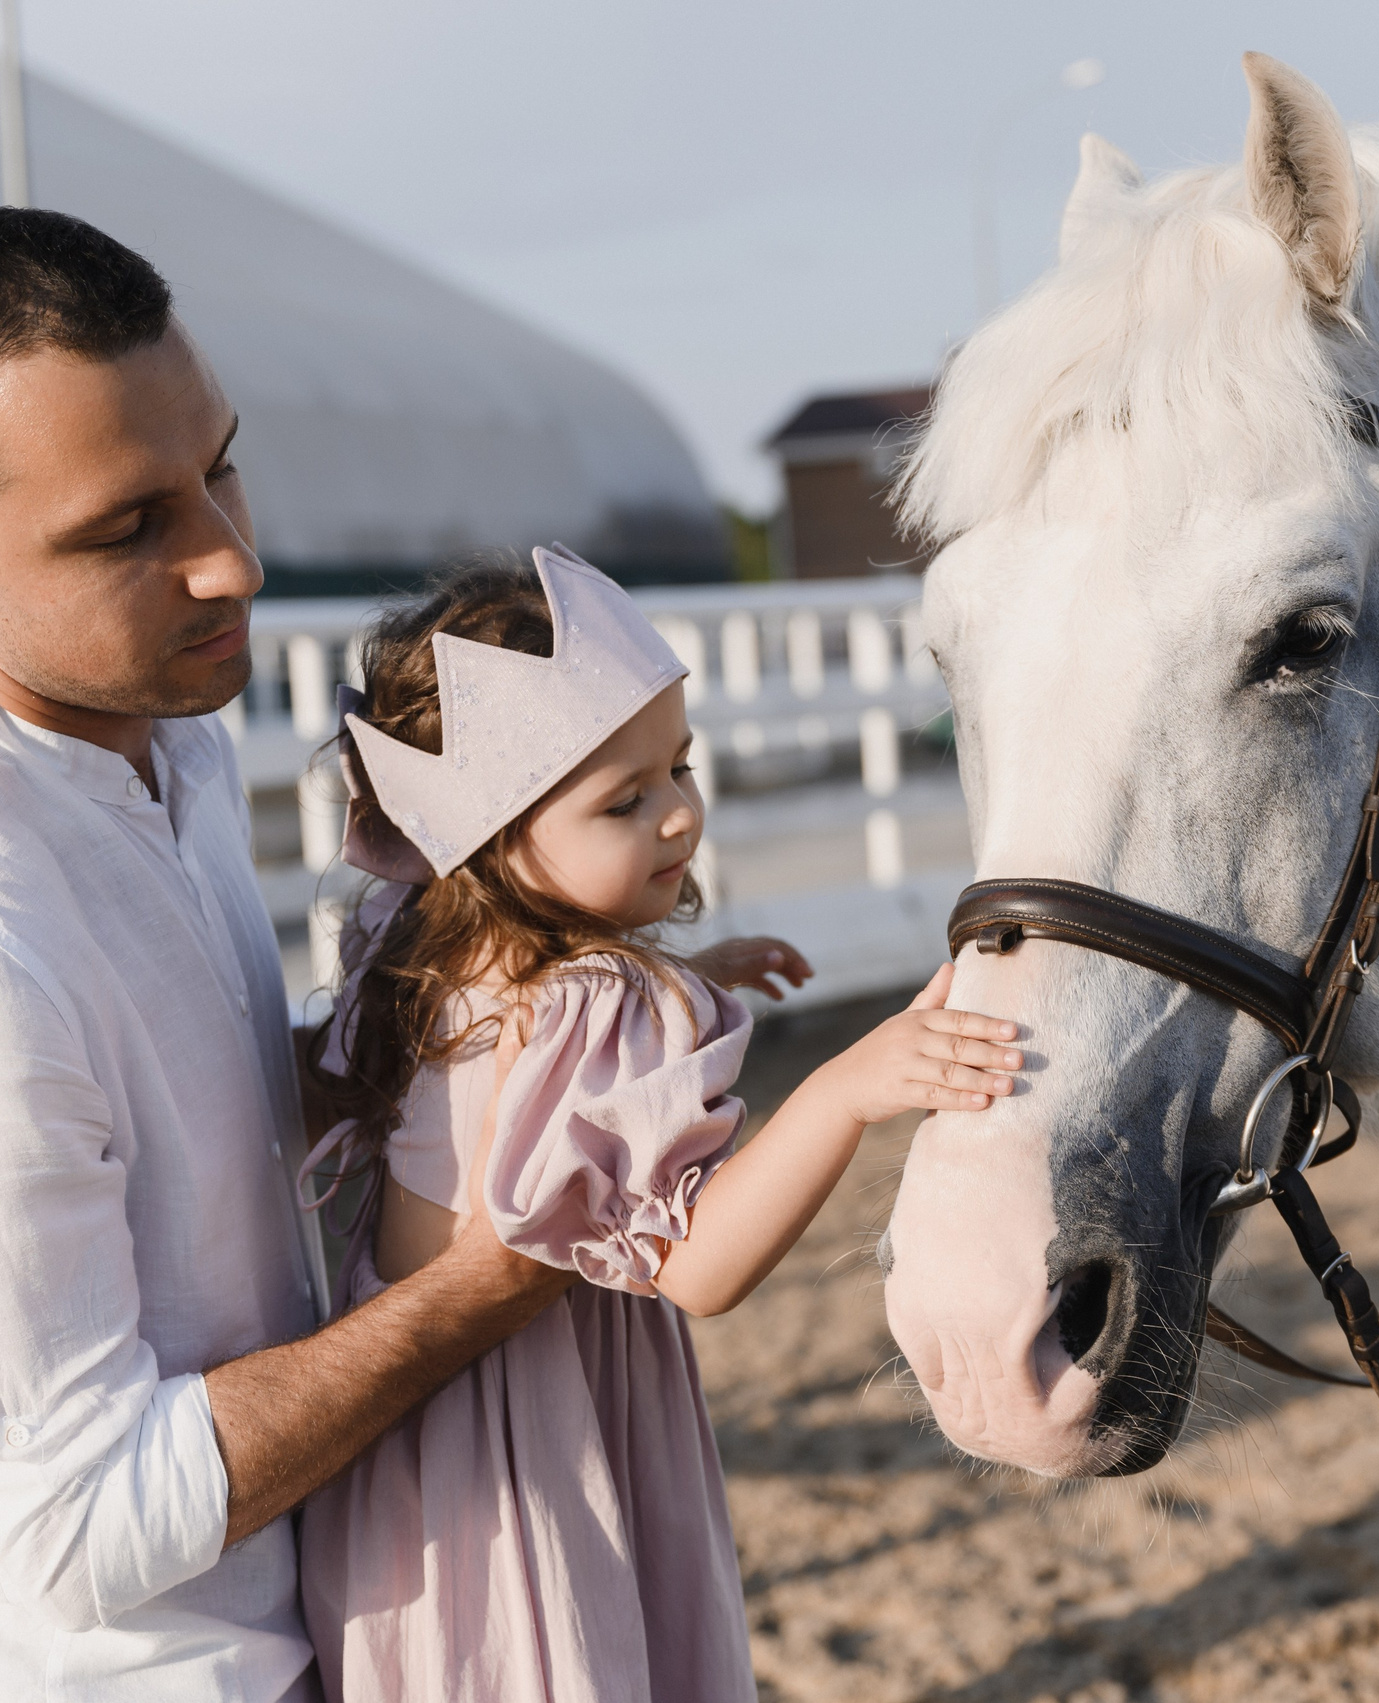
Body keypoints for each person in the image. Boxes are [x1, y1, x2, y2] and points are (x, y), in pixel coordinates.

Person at [0, 207, 708, 1700]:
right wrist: (500, 1269)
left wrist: (493, 1019)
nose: (231, 562)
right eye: (131, 526)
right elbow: (72, 1526)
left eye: (222, 467)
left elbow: (219, 1126)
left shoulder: (152, 737)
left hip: (309, 1627)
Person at [295, 546, 1023, 1702]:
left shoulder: (418, 962)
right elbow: (693, 1264)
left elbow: (534, 1069)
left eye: (676, 765)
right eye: (622, 799)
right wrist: (845, 1088)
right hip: (545, 1447)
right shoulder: (610, 1001)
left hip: (403, 1470)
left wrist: (693, 983)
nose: (679, 812)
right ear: (490, 840)